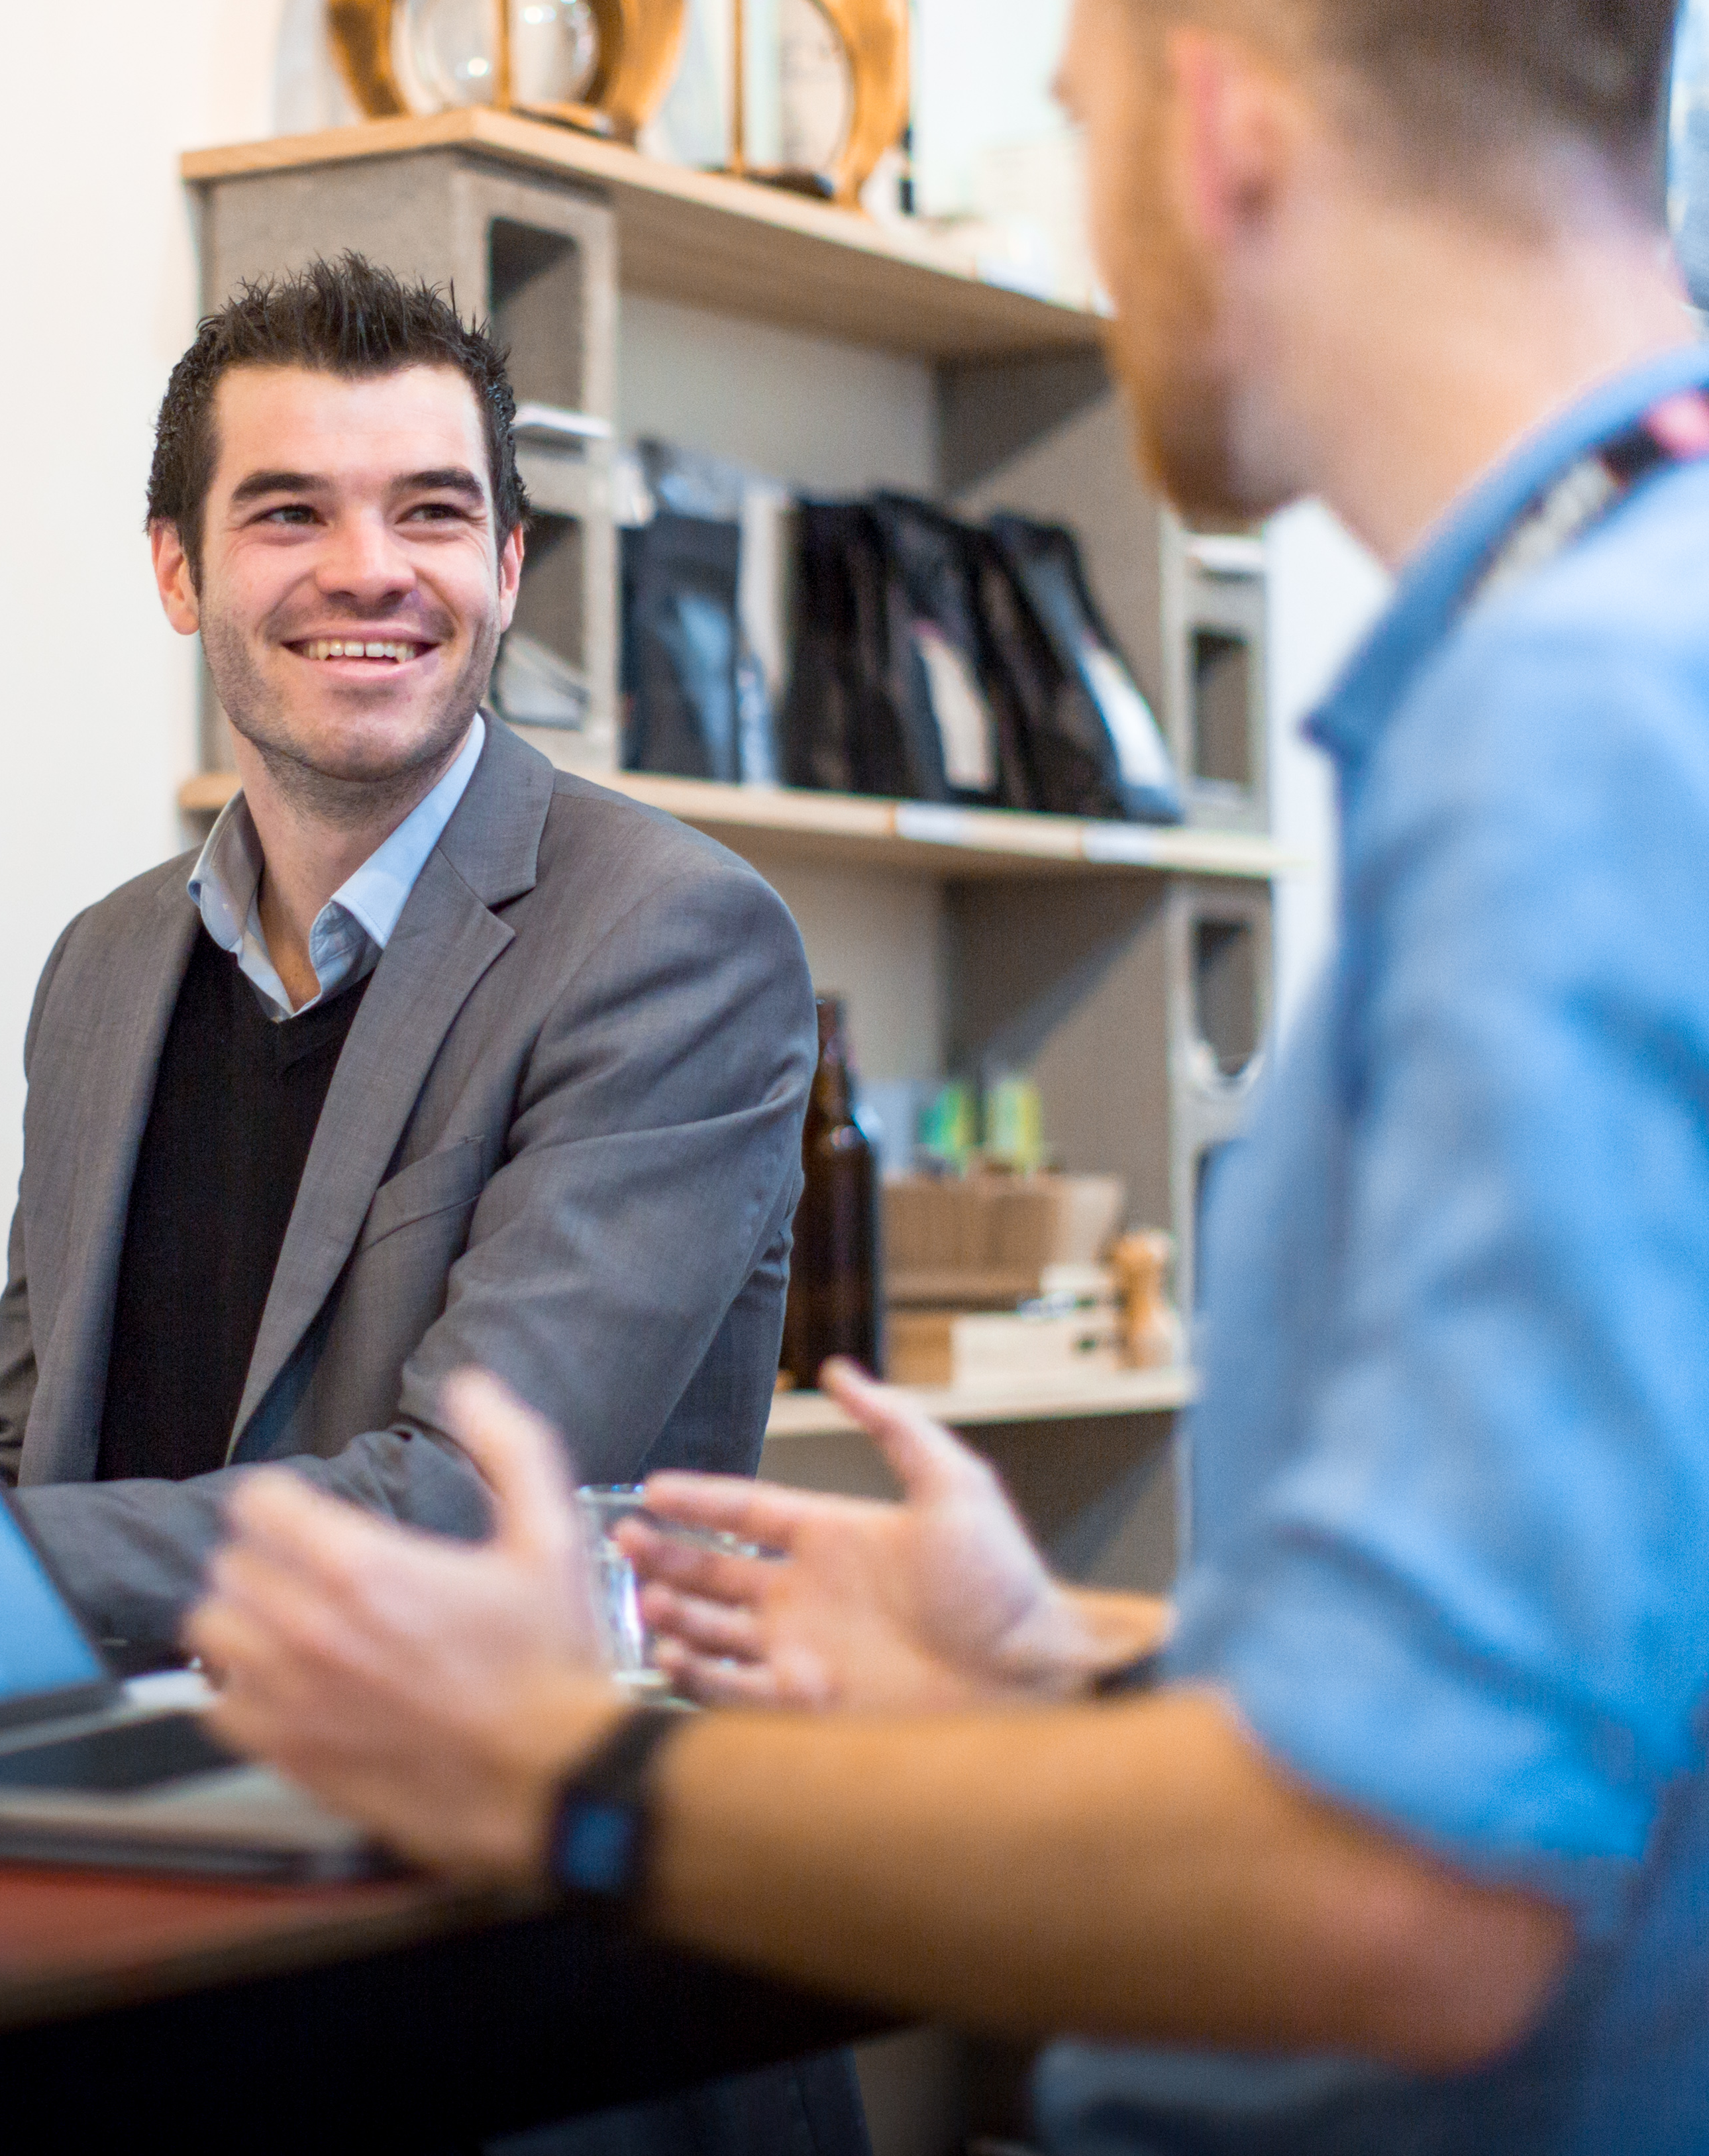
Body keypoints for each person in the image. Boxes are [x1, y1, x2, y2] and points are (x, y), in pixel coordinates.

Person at [185, 0, 1709, 2149]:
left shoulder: (1574, 737)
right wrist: (1067, 1666)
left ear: (1213, 127)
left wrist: (557, 1772)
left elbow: (1401, 1893)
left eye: (1079, 123)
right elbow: (1607, 1694)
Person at [0, 255, 863, 2153]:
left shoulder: (668, 940)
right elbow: (24, 1454)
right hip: (133, 1922)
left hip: (496, 1990)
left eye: (430, 512)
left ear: (505, 565)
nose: (367, 569)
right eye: (287, 511)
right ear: (178, 572)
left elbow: (461, 1511)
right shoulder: (99, 973)